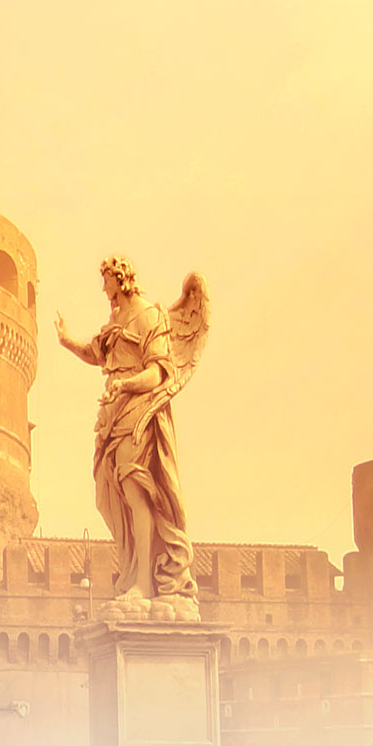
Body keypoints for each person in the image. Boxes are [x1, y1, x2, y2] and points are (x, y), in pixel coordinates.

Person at [53, 257, 211, 617]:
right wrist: (66, 341)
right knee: (115, 496)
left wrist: (125, 385)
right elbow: (96, 354)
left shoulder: (150, 315)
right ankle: (134, 573)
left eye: (106, 281)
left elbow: (158, 373)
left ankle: (144, 583)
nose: (103, 288)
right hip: (113, 413)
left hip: (138, 412)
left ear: (120, 279)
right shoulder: (116, 320)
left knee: (137, 492)